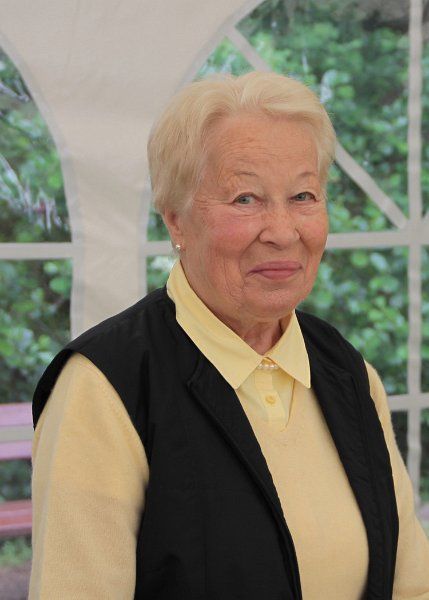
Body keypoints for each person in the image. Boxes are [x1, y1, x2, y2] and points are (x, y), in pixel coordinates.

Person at [29, 71, 429, 599]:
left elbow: (410, 582)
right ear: (176, 220)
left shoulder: (348, 373)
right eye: (245, 199)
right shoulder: (103, 387)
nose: (283, 231)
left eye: (303, 195)